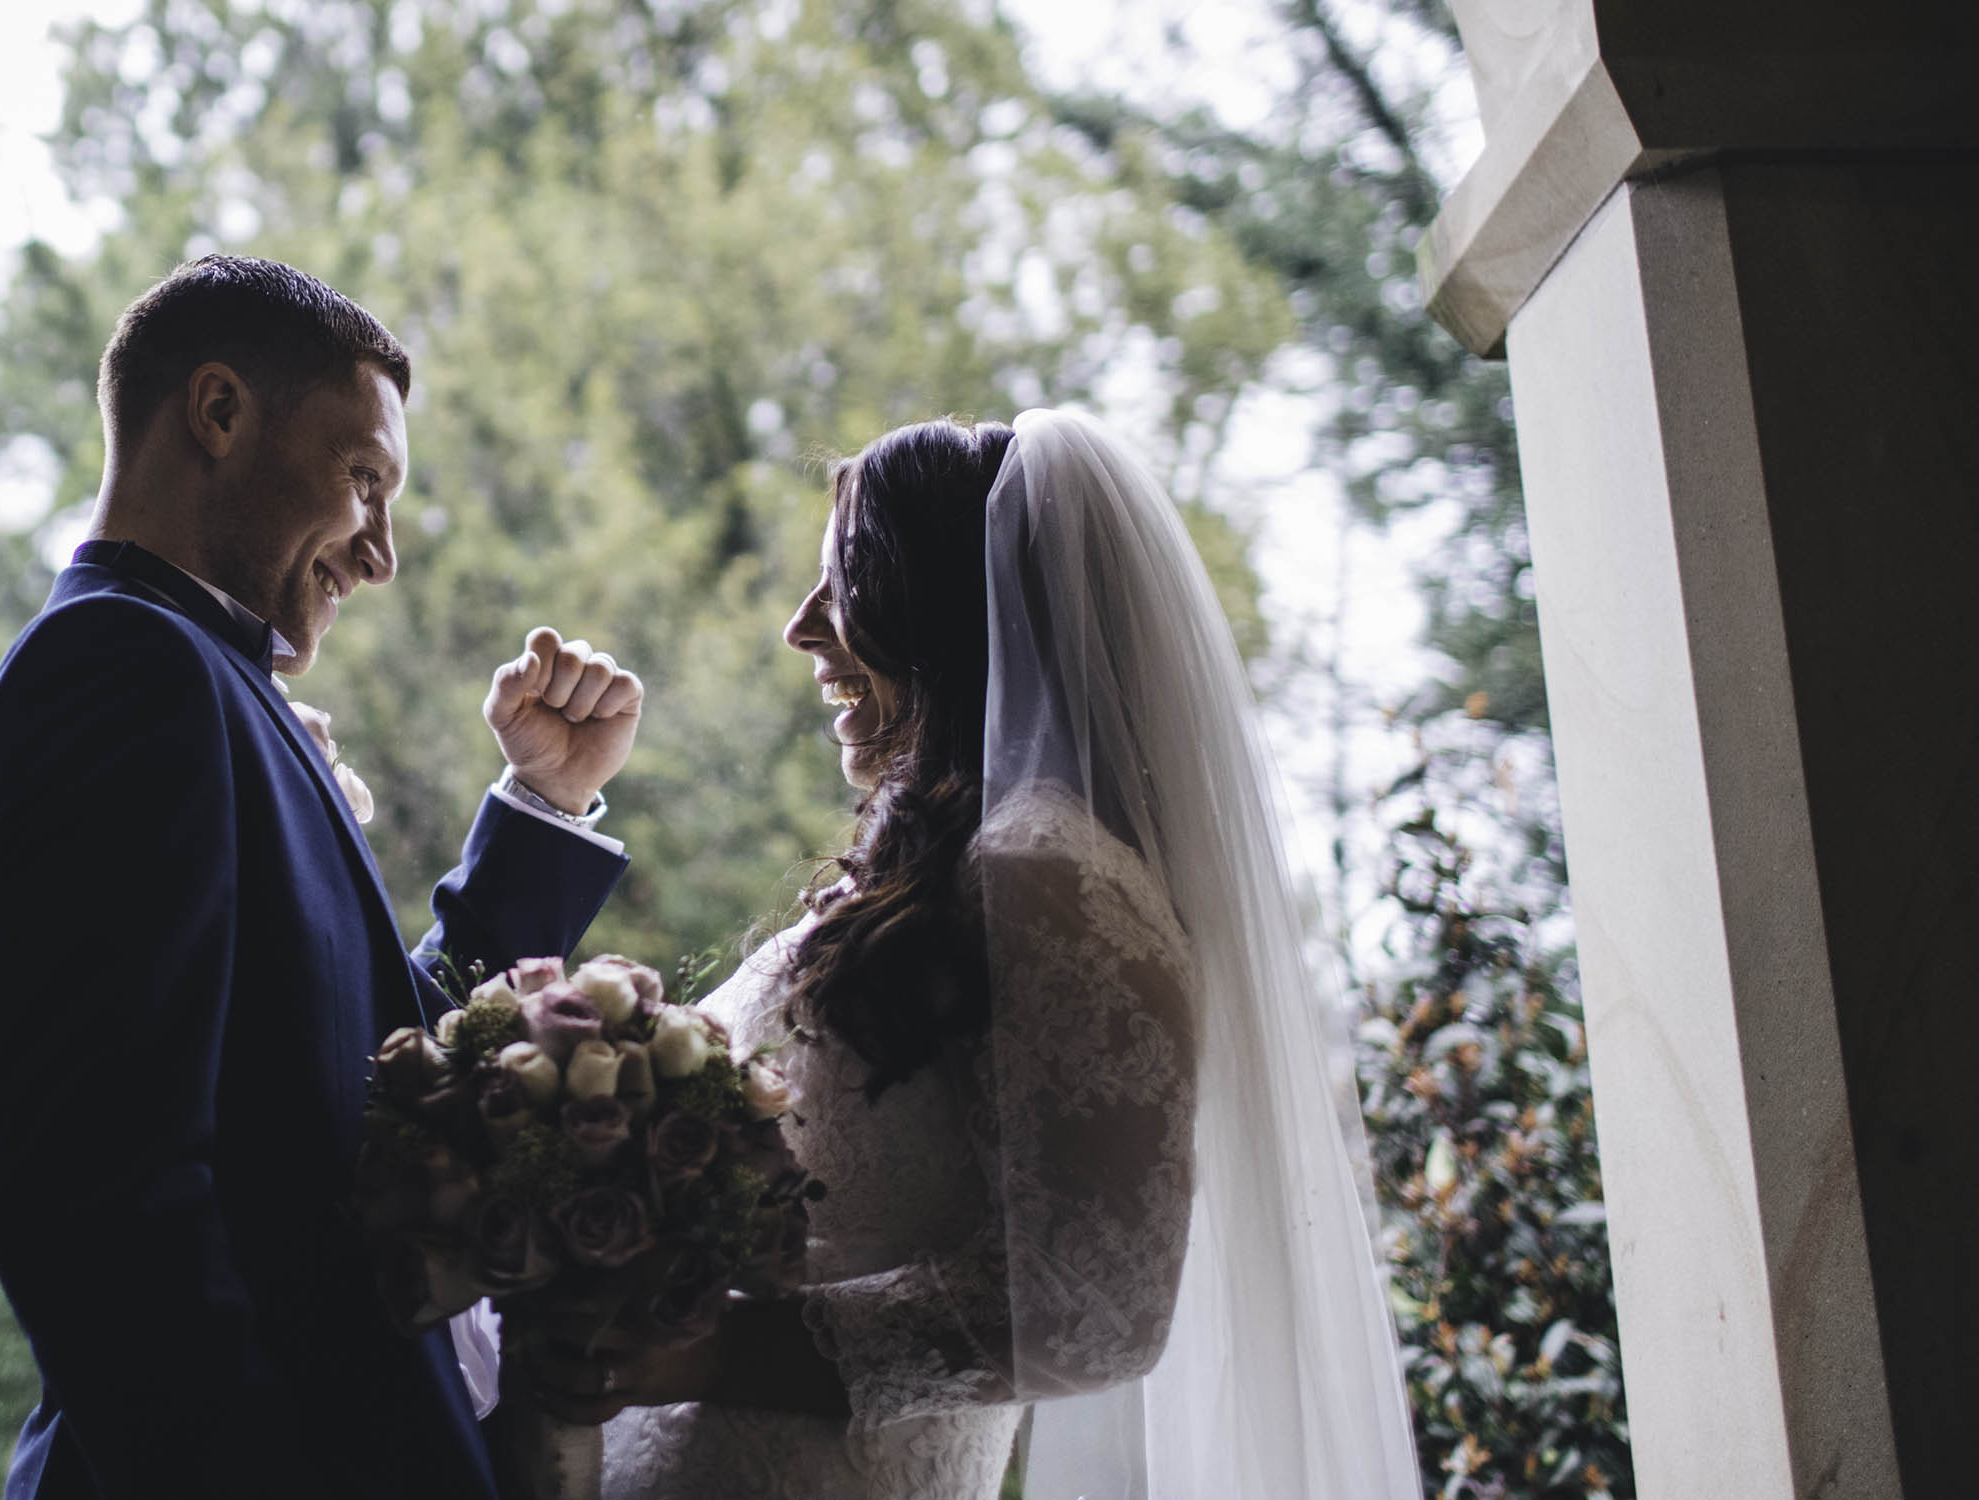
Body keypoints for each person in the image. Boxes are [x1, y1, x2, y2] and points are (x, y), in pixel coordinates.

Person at [560, 411, 1422, 1499]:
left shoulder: (1049, 876)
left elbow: (1095, 1313)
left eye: (847, 580)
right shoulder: (945, 872)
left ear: (947, 606)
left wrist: (710, 1350)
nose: (800, 628)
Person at [0, 255, 648, 1499]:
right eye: (364, 480)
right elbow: (105, 1207)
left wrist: (544, 805)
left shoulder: (203, 682)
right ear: (219, 414)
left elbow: (364, 1072)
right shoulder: (123, 670)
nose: (379, 556)